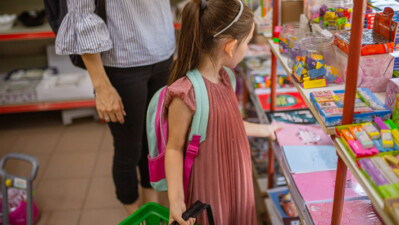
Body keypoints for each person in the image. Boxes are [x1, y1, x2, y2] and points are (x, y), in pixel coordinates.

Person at [164, 0, 281, 224]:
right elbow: (174, 148)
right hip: (210, 189)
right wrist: (176, 199)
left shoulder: (226, 77)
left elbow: (226, 125)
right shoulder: (186, 94)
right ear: (230, 46)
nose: (248, 49)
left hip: (236, 181)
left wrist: (266, 129)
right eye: (247, 42)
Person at [55, 0, 176, 214]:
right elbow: (81, 14)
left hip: (163, 51)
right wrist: (101, 86)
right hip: (122, 61)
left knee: (154, 143)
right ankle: (134, 215)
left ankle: (152, 209)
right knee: (128, 149)